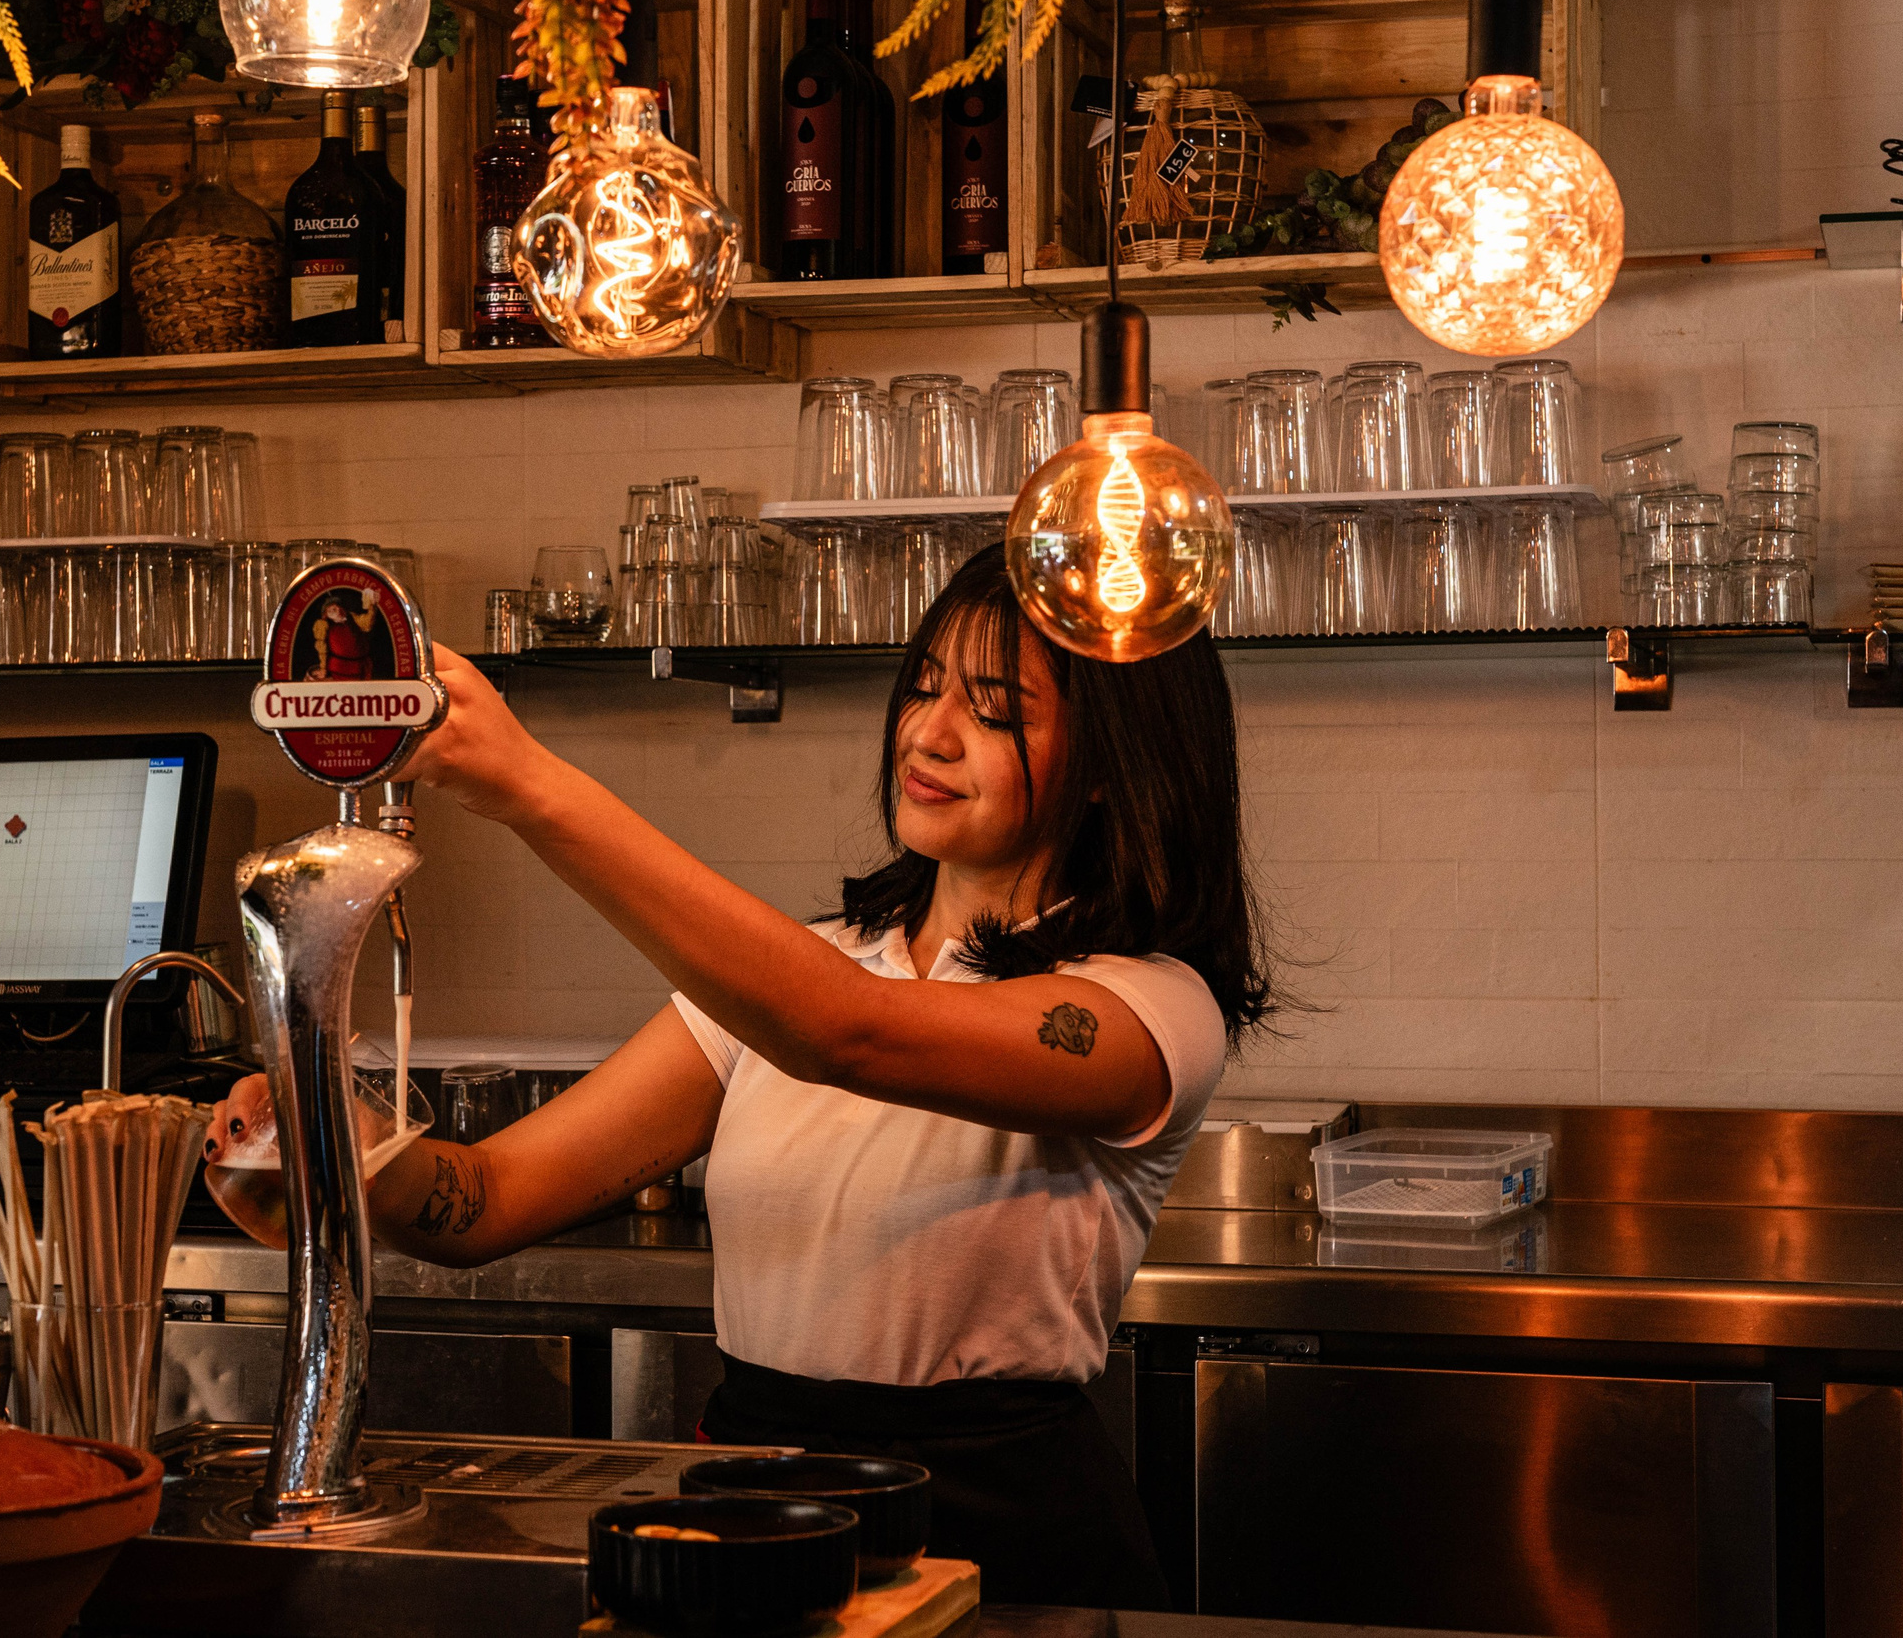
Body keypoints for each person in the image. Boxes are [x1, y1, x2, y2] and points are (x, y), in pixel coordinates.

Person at [206, 545, 1277, 1607]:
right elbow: (483, 1203)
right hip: (756, 1506)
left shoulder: (1145, 1008)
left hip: (1001, 1528)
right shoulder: (818, 967)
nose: (928, 732)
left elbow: (846, 1034)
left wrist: (529, 783)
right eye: (923, 686)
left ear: (1106, 769)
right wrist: (327, 1135)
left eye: (995, 711)